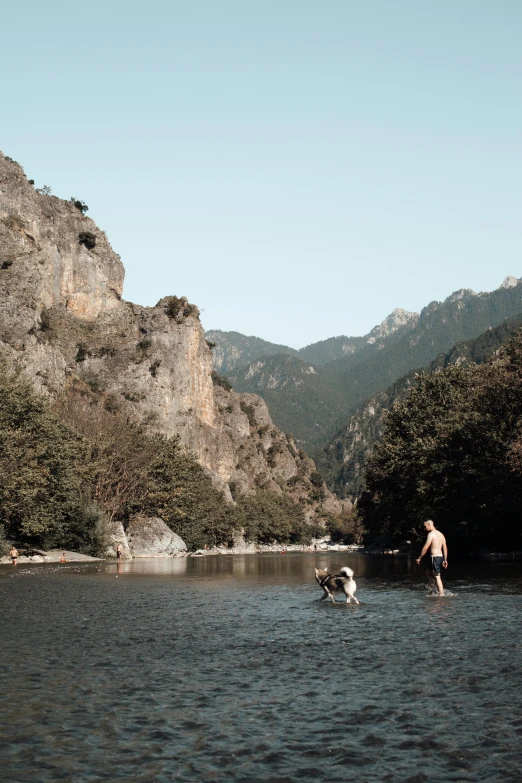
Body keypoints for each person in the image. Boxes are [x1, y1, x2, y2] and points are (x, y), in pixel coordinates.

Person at [416, 519, 448, 595]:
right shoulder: (441, 534)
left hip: (435, 557)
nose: (425, 528)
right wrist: (445, 560)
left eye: (425, 526)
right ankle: (433, 590)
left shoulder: (431, 534)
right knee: (427, 572)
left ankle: (441, 594)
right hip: (439, 557)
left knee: (437, 576)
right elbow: (445, 548)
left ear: (429, 524)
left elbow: (426, 547)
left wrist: (419, 557)